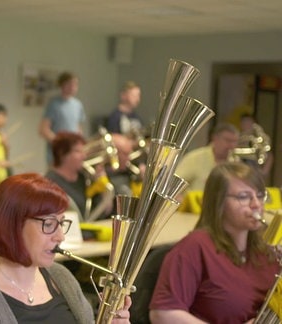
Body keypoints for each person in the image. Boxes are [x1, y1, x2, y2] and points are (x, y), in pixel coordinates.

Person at [0, 173, 131, 323]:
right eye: (49, 224)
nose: (60, 236)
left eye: (61, 223)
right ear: (12, 225)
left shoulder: (61, 277)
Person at [149, 162, 280, 323]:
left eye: (260, 195)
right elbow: (163, 314)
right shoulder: (194, 247)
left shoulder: (266, 253)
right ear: (219, 202)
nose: (257, 204)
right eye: (244, 197)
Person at [45, 131, 112, 221]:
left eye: (83, 151)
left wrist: (103, 190)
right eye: (78, 151)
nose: (84, 156)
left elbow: (104, 212)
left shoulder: (84, 178)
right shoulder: (49, 183)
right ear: (62, 154)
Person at [104, 81, 145, 195]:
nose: (137, 99)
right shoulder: (114, 117)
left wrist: (141, 164)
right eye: (134, 95)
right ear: (124, 96)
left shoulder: (137, 118)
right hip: (120, 170)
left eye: (138, 95)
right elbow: (113, 143)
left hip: (135, 168)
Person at [175, 123, 240, 192]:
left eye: (234, 142)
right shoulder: (194, 158)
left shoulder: (236, 162)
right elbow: (174, 184)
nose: (231, 146)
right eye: (228, 140)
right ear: (215, 138)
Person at [39, 72, 86, 164]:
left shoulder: (78, 105)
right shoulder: (54, 104)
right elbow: (43, 130)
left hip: (72, 153)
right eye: (69, 84)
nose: (73, 87)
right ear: (62, 85)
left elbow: (78, 128)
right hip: (57, 154)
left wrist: (79, 146)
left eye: (75, 84)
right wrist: (60, 143)